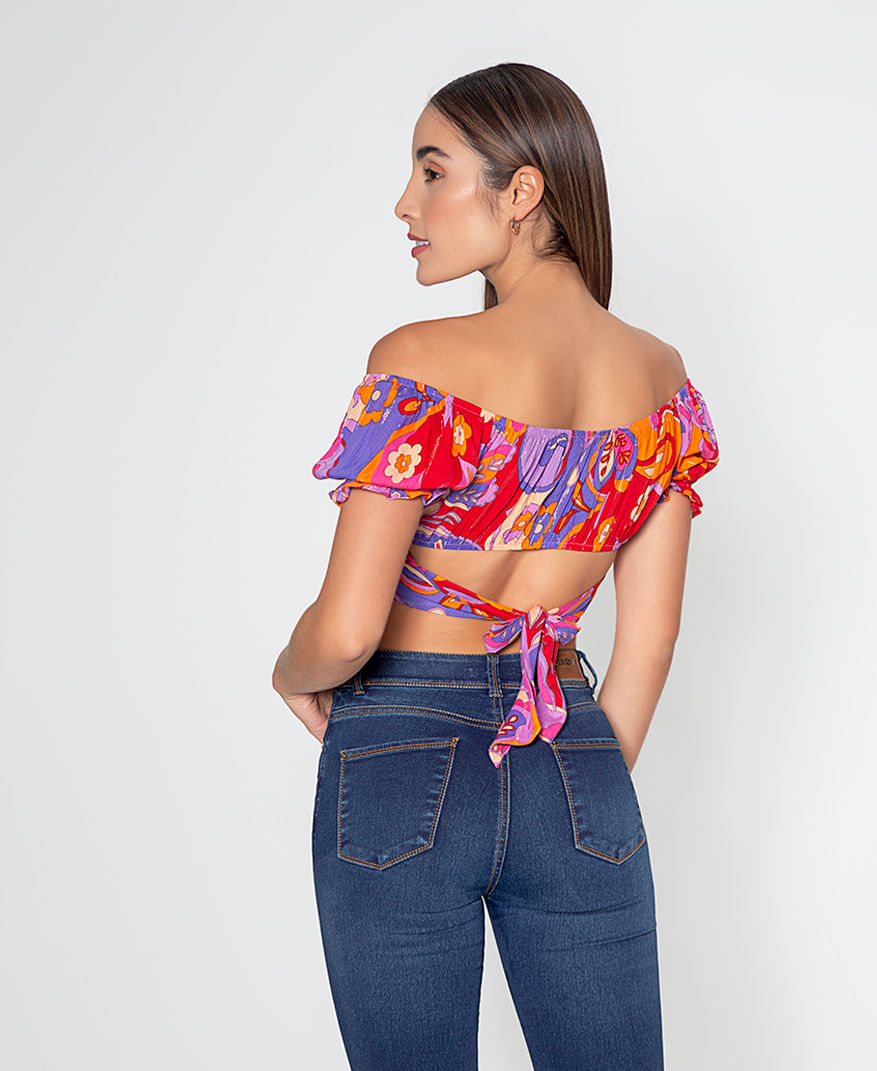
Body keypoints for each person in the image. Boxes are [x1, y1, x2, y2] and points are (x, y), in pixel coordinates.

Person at [272, 62, 721, 1071]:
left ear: (522, 192)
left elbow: (345, 631)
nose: (406, 203)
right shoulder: (660, 381)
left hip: (404, 744)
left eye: (432, 171)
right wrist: (575, 785)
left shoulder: (420, 361)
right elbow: (648, 643)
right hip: (574, 749)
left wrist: (289, 671)